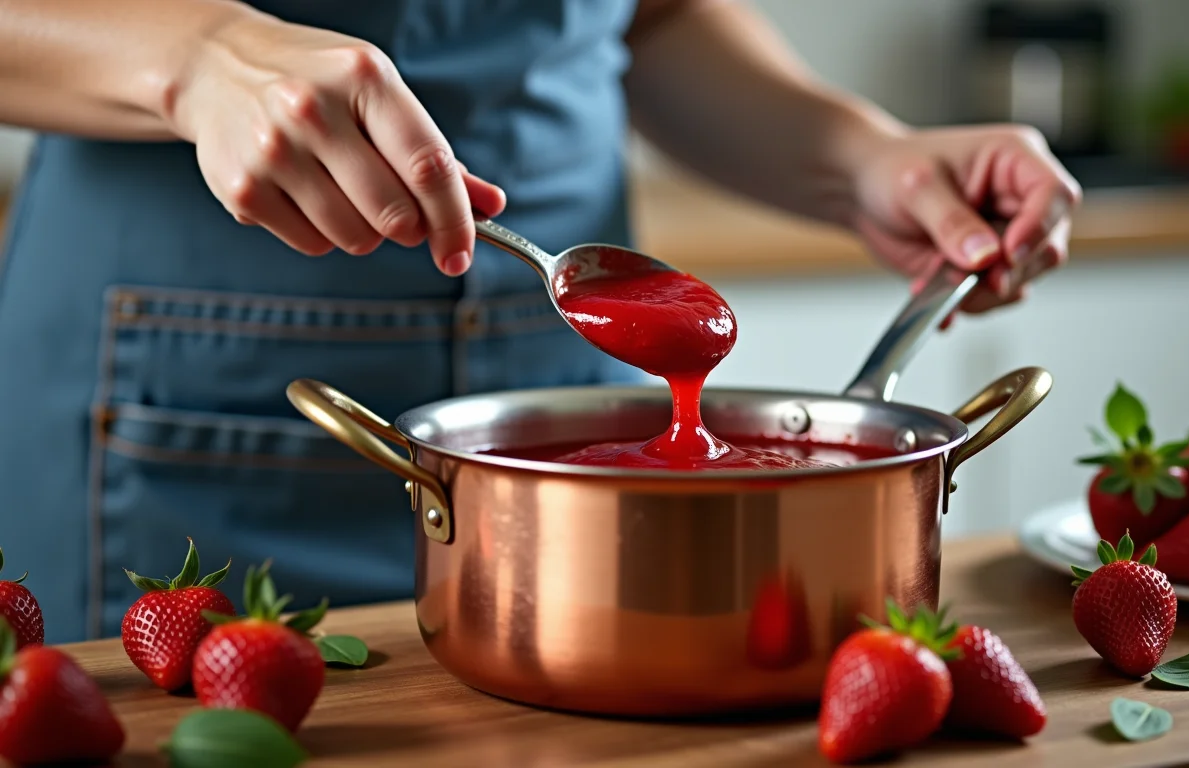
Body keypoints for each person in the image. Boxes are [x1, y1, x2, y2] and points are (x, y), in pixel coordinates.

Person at [0, 0, 1080, 644]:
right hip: (180, 394)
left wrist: (860, 160)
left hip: (560, 371)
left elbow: (640, 17)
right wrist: (195, 54)